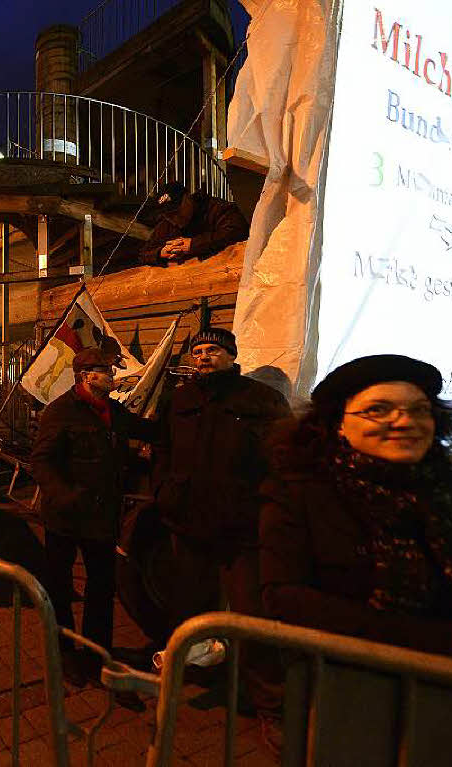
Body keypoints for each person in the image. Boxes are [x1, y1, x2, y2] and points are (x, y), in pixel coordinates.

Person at [260, 354, 452, 672]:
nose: (405, 422)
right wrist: (437, 643)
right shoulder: (300, 496)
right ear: (337, 424)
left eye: (420, 410)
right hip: (357, 688)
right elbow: (287, 599)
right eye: (378, 410)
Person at [154, 327, 291, 716]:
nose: (203, 356)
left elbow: (281, 457)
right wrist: (164, 488)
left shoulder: (261, 399)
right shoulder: (181, 399)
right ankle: (201, 674)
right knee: (192, 608)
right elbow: (162, 447)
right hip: (191, 524)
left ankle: (269, 701)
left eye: (212, 349)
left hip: (241, 528)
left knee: (251, 616)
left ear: (231, 355)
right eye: (197, 351)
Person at [31, 346, 157, 703]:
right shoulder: (61, 412)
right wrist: (65, 496)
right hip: (65, 519)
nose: (111, 376)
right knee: (59, 587)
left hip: (101, 519)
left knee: (101, 590)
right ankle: (67, 652)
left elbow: (146, 430)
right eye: (105, 370)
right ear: (86, 375)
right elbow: (41, 460)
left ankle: (96, 654)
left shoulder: (112, 412)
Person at [139, 181, 249, 265]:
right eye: (169, 215)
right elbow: (144, 253)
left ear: (187, 197)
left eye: (177, 211)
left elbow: (237, 231)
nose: (175, 218)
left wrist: (194, 244)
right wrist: (160, 253)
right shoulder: (167, 223)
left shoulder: (216, 208)